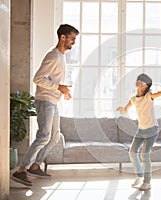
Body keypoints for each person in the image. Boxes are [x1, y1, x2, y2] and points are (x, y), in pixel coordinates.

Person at [11, 24, 79, 187]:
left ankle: (36, 165)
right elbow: (38, 78)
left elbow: (53, 80)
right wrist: (58, 88)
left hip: (53, 101)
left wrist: (62, 90)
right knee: (43, 136)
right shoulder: (53, 56)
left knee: (55, 137)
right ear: (63, 37)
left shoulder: (61, 56)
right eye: (72, 39)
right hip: (45, 101)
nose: (73, 43)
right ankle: (21, 170)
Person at [117, 73, 161, 191]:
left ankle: (147, 182)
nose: (139, 82)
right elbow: (126, 109)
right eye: (138, 80)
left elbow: (158, 94)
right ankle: (140, 176)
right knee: (132, 152)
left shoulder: (149, 96)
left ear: (146, 86)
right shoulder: (134, 99)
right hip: (141, 130)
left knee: (144, 154)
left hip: (152, 129)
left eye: (142, 81)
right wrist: (122, 110)